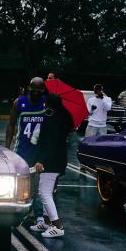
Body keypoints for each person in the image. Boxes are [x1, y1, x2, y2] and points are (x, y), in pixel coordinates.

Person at [6, 77, 46, 226]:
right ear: (29, 88)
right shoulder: (19, 102)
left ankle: (38, 214)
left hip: (39, 150)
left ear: (43, 90)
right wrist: (7, 146)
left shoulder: (46, 103)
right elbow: (10, 125)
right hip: (21, 149)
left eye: (39, 90)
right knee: (19, 183)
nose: (36, 92)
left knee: (37, 184)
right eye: (33, 89)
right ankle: (19, 210)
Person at [32, 94, 73, 238]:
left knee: (44, 193)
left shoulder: (53, 121)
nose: (44, 107)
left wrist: (41, 160)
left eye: (46, 105)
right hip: (56, 161)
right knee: (45, 192)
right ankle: (47, 222)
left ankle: (57, 226)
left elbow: (49, 144)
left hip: (51, 162)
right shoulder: (59, 119)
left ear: (50, 106)